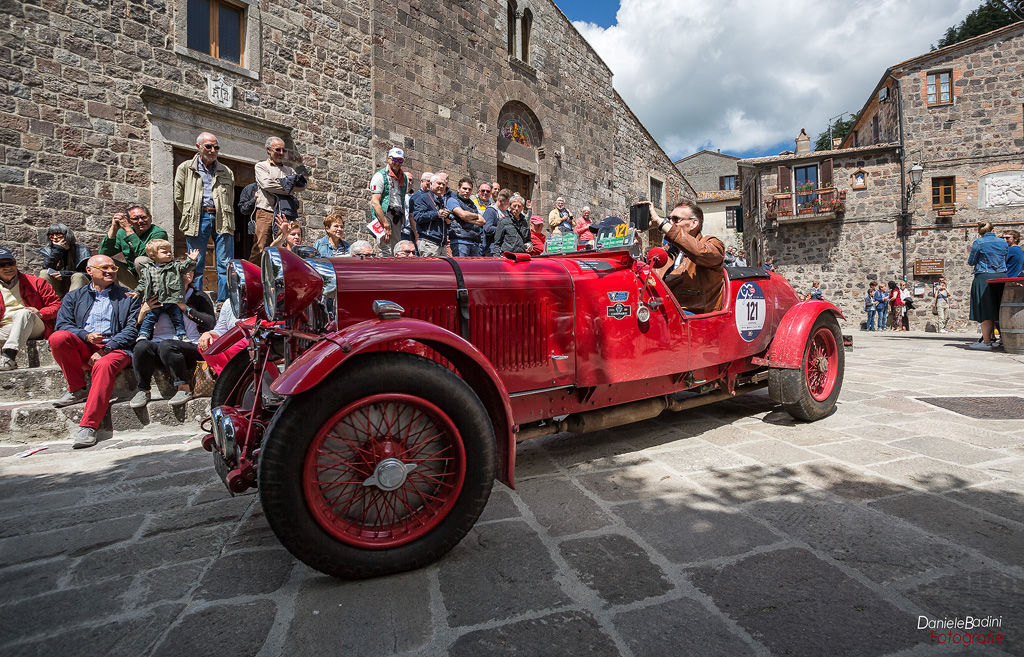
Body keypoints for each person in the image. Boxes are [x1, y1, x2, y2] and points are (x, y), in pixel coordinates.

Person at [49, 255, 141, 448]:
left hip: (116, 347)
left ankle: (88, 425)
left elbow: (132, 329)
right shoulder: (73, 296)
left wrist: (107, 348)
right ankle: (77, 388)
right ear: (89, 271)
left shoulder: (128, 296)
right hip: (85, 344)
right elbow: (63, 324)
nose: (110, 271)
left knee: (104, 364)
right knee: (58, 338)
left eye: (113, 268)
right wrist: (85, 335)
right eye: (104, 268)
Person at [130, 269, 215, 409]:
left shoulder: (198, 296)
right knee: (141, 346)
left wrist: (184, 307)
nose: (189, 273)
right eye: (183, 271)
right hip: (158, 347)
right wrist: (143, 312)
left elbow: (210, 323)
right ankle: (143, 390)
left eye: (192, 271)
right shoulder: (154, 296)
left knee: (167, 345)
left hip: (190, 345)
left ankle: (183, 388)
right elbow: (137, 330)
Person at [173, 132, 235, 302]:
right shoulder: (186, 168)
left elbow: (230, 197)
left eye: (216, 147)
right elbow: (179, 196)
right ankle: (197, 300)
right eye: (208, 146)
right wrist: (191, 212)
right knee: (196, 263)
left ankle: (224, 302)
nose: (213, 150)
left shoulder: (226, 171)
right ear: (198, 147)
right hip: (198, 218)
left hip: (222, 218)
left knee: (225, 263)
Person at [648, 200, 725, 313]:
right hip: (665, 309)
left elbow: (699, 252)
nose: (670, 222)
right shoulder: (668, 250)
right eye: (669, 219)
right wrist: (636, 246)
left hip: (695, 313)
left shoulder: (712, 244)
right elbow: (649, 276)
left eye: (675, 219)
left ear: (694, 223)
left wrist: (662, 224)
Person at [0, 248, 61, 371]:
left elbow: (57, 306)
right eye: (2, 265)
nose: (8, 267)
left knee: (23, 313)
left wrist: (41, 313)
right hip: (6, 328)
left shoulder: (37, 282)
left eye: (11, 263)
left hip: (34, 324)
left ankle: (9, 356)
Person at [250, 136, 306, 264]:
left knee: (285, 245)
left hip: (285, 213)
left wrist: (279, 185)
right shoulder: (261, 166)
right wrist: (289, 188)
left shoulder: (289, 170)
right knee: (260, 247)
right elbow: (266, 185)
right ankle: (253, 279)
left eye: (283, 150)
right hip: (266, 211)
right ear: (268, 150)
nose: (281, 153)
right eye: (278, 150)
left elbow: (301, 187)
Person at [135, 240, 200, 343]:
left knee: (177, 318)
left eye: (170, 251)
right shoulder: (148, 269)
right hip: (156, 299)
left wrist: (191, 260)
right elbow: (143, 282)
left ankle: (182, 335)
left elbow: (185, 267)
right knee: (150, 317)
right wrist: (137, 292)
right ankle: (143, 334)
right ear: (153, 255)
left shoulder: (175, 266)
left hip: (172, 298)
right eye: (165, 252)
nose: (169, 254)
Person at [97, 205, 168, 289]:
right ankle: (112, 296)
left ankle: (148, 295)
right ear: (129, 221)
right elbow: (103, 253)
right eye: (135, 219)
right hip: (133, 275)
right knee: (107, 262)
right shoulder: (122, 233)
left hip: (156, 277)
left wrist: (128, 229)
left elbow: (144, 254)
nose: (140, 221)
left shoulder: (159, 233)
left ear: (150, 218)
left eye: (143, 217)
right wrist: (113, 228)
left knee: (140, 260)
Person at [968, 221, 1007, 349]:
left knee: (985, 310)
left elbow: (971, 261)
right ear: (992, 229)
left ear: (979, 231)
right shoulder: (1003, 242)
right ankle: (998, 339)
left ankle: (986, 342)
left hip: (984, 276)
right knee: (999, 308)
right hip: (1001, 276)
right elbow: (1005, 258)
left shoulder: (979, 243)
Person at [369, 147, 408, 257]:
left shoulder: (404, 177)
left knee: (397, 249)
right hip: (384, 214)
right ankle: (384, 272)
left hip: (397, 215)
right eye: (394, 159)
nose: (397, 163)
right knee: (385, 248)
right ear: (388, 159)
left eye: (400, 160)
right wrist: (385, 224)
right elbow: (375, 202)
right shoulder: (380, 176)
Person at [37, 224, 91, 298]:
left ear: (67, 235)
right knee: (44, 272)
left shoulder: (82, 251)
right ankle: (47, 302)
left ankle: (71, 304)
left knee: (78, 276)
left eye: (59, 235)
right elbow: (47, 267)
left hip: (78, 286)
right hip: (58, 286)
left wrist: (65, 274)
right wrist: (58, 249)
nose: (55, 238)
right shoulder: (50, 251)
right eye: (51, 236)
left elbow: (89, 274)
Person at [413, 173, 451, 257]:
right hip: (429, 243)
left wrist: (447, 221)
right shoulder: (423, 198)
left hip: (441, 244)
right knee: (430, 269)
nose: (441, 186)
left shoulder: (442, 200)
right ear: (431, 184)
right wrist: (437, 214)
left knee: (442, 270)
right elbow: (418, 216)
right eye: (439, 183)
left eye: (443, 184)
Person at [446, 177, 485, 257]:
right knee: (460, 268)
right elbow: (462, 215)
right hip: (460, 241)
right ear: (458, 188)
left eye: (469, 189)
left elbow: (482, 221)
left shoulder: (472, 204)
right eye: (464, 188)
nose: (467, 191)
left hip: (474, 242)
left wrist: (467, 218)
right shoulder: (452, 200)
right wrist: (472, 216)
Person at [482, 189, 511, 255]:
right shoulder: (491, 211)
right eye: (507, 203)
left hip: (504, 248)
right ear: (500, 201)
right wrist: (504, 229)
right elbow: (487, 228)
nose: (509, 206)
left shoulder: (507, 212)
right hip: (492, 249)